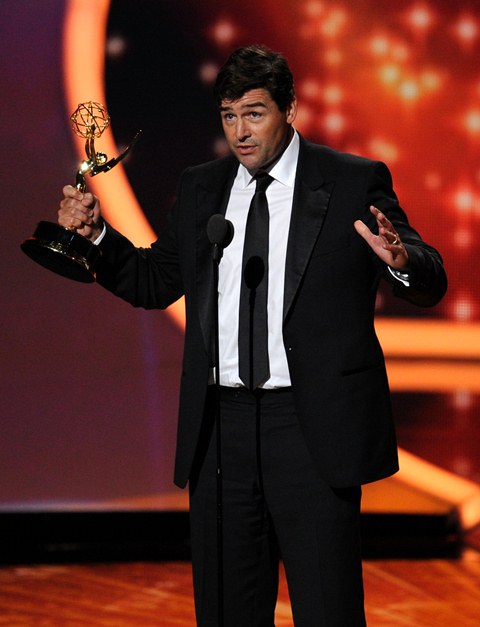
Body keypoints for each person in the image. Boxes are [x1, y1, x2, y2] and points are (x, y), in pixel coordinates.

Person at [58, 45, 447, 626]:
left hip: (311, 430)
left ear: (289, 109)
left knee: (328, 609)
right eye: (229, 115)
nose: (239, 132)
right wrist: (96, 237)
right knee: (227, 611)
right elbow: (154, 281)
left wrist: (401, 260)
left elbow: (430, 277)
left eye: (254, 113)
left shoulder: (350, 181)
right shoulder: (202, 188)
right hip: (222, 433)